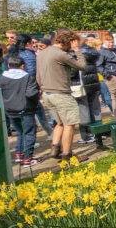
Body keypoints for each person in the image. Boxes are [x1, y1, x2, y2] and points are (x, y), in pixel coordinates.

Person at [36, 29, 86, 161]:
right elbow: (82, 66)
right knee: (70, 124)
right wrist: (77, 50)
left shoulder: (42, 52)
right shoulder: (60, 54)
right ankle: (67, 155)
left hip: (46, 94)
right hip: (61, 94)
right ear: (68, 42)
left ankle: (55, 149)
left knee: (59, 123)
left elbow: (38, 77)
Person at [0, 54, 39, 165]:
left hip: (10, 110)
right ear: (22, 66)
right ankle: (28, 158)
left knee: (20, 133)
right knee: (29, 133)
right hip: (26, 109)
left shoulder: (1, 79)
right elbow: (32, 94)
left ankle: (19, 154)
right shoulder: (28, 77)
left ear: (8, 65)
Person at [97, 36, 116, 117]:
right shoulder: (102, 52)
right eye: (109, 42)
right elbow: (98, 66)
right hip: (111, 77)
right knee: (115, 97)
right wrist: (108, 75)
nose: (111, 44)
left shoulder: (115, 50)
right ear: (104, 42)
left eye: (112, 42)